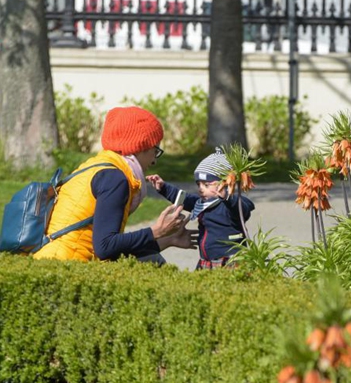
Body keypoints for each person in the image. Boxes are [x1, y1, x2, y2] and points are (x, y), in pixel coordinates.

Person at [34, 106, 196, 262]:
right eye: (156, 150)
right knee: (153, 261)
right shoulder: (115, 179)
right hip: (67, 264)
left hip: (55, 257)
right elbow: (105, 247)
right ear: (141, 146)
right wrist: (156, 231)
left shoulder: (99, 167)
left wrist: (167, 240)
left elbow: (111, 248)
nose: (154, 161)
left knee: (150, 258)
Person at [146, 148, 255, 270]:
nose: (201, 189)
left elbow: (243, 209)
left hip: (230, 261)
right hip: (206, 260)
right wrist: (163, 187)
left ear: (225, 184)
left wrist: (227, 197)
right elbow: (183, 198)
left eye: (207, 185)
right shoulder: (202, 203)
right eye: (199, 184)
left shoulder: (230, 205)